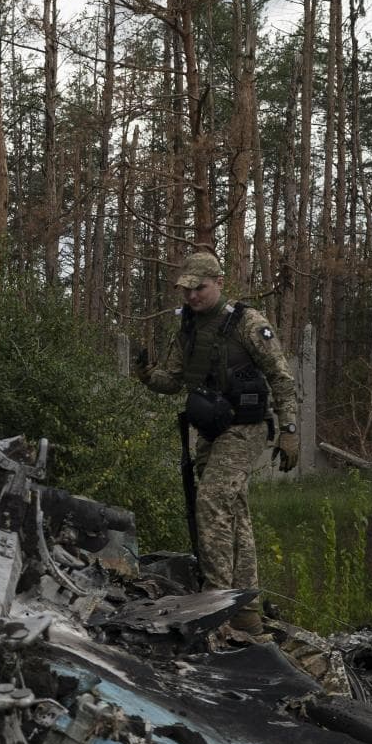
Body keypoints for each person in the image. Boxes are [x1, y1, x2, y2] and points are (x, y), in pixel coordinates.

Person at [132, 251, 299, 634]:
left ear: (219, 283)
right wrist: (145, 375)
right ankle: (247, 610)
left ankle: (216, 601)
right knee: (233, 514)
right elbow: (171, 380)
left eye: (199, 288)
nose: (191, 296)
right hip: (210, 430)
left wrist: (289, 432)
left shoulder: (247, 323)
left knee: (210, 501)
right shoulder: (188, 327)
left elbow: (282, 377)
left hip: (246, 428)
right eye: (186, 290)